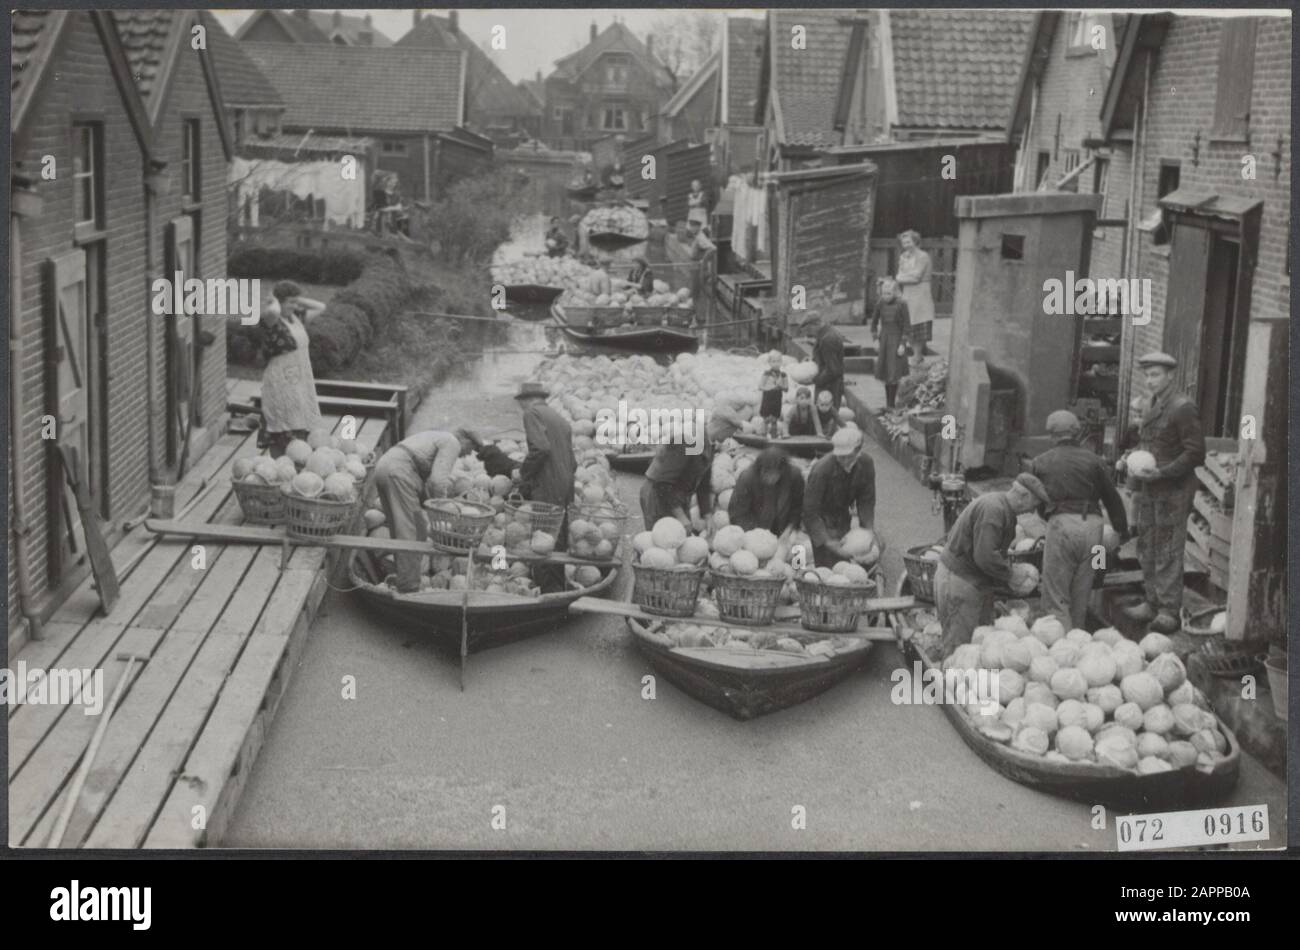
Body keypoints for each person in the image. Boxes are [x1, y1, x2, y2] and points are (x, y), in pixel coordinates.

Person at [1118, 352, 1206, 634]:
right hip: (1149, 487)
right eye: (1147, 375)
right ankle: (1152, 600)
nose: (1150, 380)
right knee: (1147, 545)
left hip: (1173, 489)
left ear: (1170, 376)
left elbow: (1195, 453)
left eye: (1155, 374)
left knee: (1168, 549)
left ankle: (1169, 610)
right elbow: (1149, 443)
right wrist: (1131, 459)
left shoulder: (1182, 407)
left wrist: (1164, 472)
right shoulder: (1150, 404)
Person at [1024, 410, 1130, 630]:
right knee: (1082, 593)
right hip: (1094, 529)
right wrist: (1121, 531)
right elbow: (1113, 499)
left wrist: (1049, 517)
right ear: (1078, 433)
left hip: (1062, 526)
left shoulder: (1040, 462)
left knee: (1056, 596)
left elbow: (1038, 503)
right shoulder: (1096, 461)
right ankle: (1079, 642)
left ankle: (1059, 647)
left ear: (1052, 436)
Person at [935, 473, 1052, 656]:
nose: (1031, 512)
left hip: (972, 581)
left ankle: (968, 683)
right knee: (959, 649)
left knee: (979, 644)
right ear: (1024, 497)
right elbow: (985, 557)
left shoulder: (1001, 508)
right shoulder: (993, 510)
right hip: (960, 581)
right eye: (1034, 506)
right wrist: (1012, 574)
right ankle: (951, 684)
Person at [373, 429, 476, 592]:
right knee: (412, 533)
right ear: (466, 440)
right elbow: (437, 481)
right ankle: (409, 588)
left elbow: (427, 482)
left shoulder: (435, 436)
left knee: (400, 530)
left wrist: (429, 502)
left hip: (384, 467)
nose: (467, 455)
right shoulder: (452, 442)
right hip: (399, 472)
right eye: (471, 449)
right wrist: (443, 508)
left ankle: (402, 578)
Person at [516, 381, 577, 591]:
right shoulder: (560, 419)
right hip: (566, 487)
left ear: (527, 400)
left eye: (520, 403)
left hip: (548, 486)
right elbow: (573, 462)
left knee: (542, 540)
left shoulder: (532, 414)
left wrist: (524, 474)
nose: (520, 408)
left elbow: (540, 448)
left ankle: (545, 592)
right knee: (558, 541)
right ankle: (558, 590)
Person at [257, 282, 327, 458]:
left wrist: (297, 299)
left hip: (300, 380)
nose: (295, 306)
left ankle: (296, 464)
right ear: (279, 302)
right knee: (283, 425)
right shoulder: (271, 320)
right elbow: (272, 311)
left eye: (296, 303)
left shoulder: (296, 318)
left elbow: (322, 307)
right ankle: (281, 463)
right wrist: (274, 299)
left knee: (300, 423)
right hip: (280, 382)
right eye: (290, 302)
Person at [802, 427, 877, 568]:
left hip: (842, 516)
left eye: (848, 456)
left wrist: (867, 529)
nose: (843, 460)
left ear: (858, 450)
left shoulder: (866, 463)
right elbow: (810, 512)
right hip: (821, 519)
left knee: (846, 562)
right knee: (826, 566)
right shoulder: (821, 470)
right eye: (840, 456)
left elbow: (867, 500)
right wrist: (828, 542)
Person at [728, 446, 804, 538]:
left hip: (784, 529)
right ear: (759, 469)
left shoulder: (794, 476)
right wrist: (759, 535)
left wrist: (790, 528)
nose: (769, 478)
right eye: (766, 473)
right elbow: (737, 514)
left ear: (782, 471)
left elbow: (798, 506)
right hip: (755, 531)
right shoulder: (747, 478)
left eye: (773, 473)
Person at [895, 229, 934, 368]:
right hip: (908, 293)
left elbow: (916, 277)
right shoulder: (904, 256)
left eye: (908, 241)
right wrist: (904, 277)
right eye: (903, 242)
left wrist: (903, 277)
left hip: (921, 293)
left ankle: (917, 355)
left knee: (919, 323)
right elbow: (899, 275)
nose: (906, 244)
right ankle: (915, 355)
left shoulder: (923, 256)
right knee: (908, 323)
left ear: (916, 241)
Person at [869, 278, 911, 409]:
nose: (886, 296)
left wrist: (902, 344)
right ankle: (888, 403)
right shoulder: (880, 303)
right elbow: (874, 322)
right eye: (883, 293)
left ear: (895, 292)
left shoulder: (902, 304)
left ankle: (892, 404)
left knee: (894, 372)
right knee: (886, 372)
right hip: (884, 339)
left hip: (896, 339)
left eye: (888, 293)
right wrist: (875, 339)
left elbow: (906, 325)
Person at [806, 312, 846, 411]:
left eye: (809, 328)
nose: (808, 331)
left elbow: (833, 369)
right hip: (828, 383)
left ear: (815, 324)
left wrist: (816, 380)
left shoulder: (827, 339)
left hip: (829, 386)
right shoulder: (826, 332)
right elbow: (824, 358)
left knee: (825, 419)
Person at [757, 351, 789, 439]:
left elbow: (786, 388)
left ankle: (774, 437)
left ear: (781, 362)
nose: (776, 364)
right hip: (768, 397)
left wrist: (780, 386)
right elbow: (760, 386)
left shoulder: (783, 375)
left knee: (774, 420)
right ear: (769, 363)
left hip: (777, 398)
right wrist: (769, 388)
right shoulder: (766, 374)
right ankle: (763, 437)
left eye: (778, 361)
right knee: (766, 419)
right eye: (773, 361)